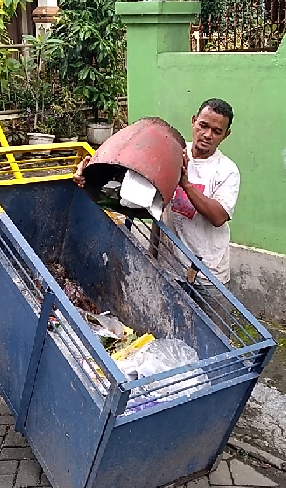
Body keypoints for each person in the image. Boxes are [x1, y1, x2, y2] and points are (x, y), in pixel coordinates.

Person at [74, 99, 240, 330]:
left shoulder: (227, 170)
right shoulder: (172, 154)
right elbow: (128, 177)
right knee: (170, 332)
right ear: (193, 121)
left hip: (208, 272)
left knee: (214, 339)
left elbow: (219, 216)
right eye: (203, 125)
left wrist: (186, 185)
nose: (207, 134)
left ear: (226, 135)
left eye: (216, 131)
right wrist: (89, 172)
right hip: (170, 267)